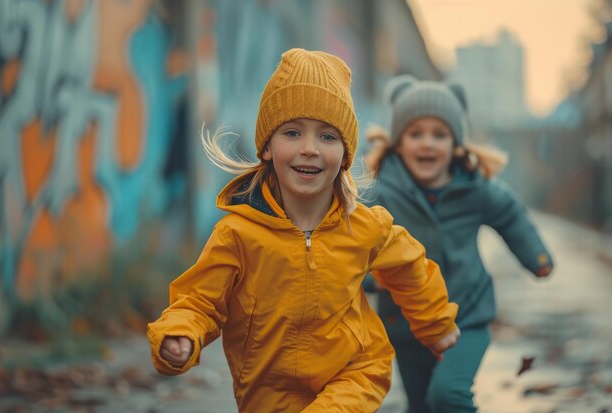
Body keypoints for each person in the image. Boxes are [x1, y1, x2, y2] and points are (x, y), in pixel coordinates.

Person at [147, 49, 460, 413]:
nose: (309, 149)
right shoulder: (237, 234)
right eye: (292, 133)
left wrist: (436, 324)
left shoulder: (365, 226)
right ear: (267, 147)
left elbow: (411, 268)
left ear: (344, 155)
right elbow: (201, 299)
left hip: (355, 373)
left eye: (327, 137)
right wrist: (180, 332)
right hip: (265, 390)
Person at [363, 75, 554, 413]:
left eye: (440, 134)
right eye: (415, 133)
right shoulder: (381, 192)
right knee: (421, 405)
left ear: (456, 143)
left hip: (467, 316)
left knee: (448, 396)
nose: (427, 144)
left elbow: (510, 215)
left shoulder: (474, 187)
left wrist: (535, 256)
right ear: (398, 142)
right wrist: (366, 278)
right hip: (406, 323)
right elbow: (354, 241)